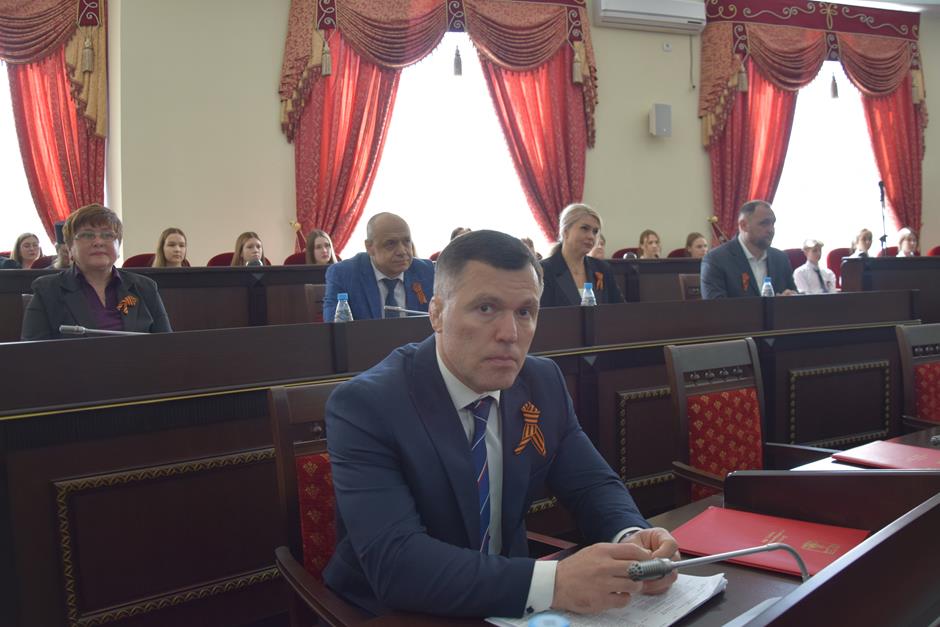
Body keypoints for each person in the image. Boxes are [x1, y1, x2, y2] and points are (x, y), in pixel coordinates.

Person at [324, 230, 679, 618]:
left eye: (525, 312)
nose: (510, 334)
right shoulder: (367, 405)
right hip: (393, 612)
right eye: (485, 308)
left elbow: (591, 483)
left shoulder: (542, 382)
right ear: (437, 313)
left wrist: (631, 538)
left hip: (508, 603)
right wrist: (555, 583)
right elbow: (396, 564)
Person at [21, 204, 172, 340]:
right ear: (69, 249)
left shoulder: (144, 287)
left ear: (118, 246)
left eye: (107, 235)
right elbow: (32, 352)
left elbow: (167, 345)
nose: (98, 242)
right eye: (87, 235)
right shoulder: (47, 290)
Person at [323, 212, 434, 321]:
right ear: (369, 247)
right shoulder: (343, 274)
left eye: (407, 241)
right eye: (391, 243)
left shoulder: (427, 271)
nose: (402, 251)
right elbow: (336, 327)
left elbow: (439, 321)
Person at [700, 200, 798, 298]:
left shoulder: (780, 258)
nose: (771, 230)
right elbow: (716, 305)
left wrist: (789, 298)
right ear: (743, 225)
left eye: (773, 223)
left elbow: (794, 295)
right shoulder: (716, 260)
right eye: (764, 223)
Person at [540, 204, 623, 307]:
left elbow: (620, 310)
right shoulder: (544, 270)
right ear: (565, 232)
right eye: (585, 228)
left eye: (595, 231)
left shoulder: (602, 269)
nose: (591, 236)